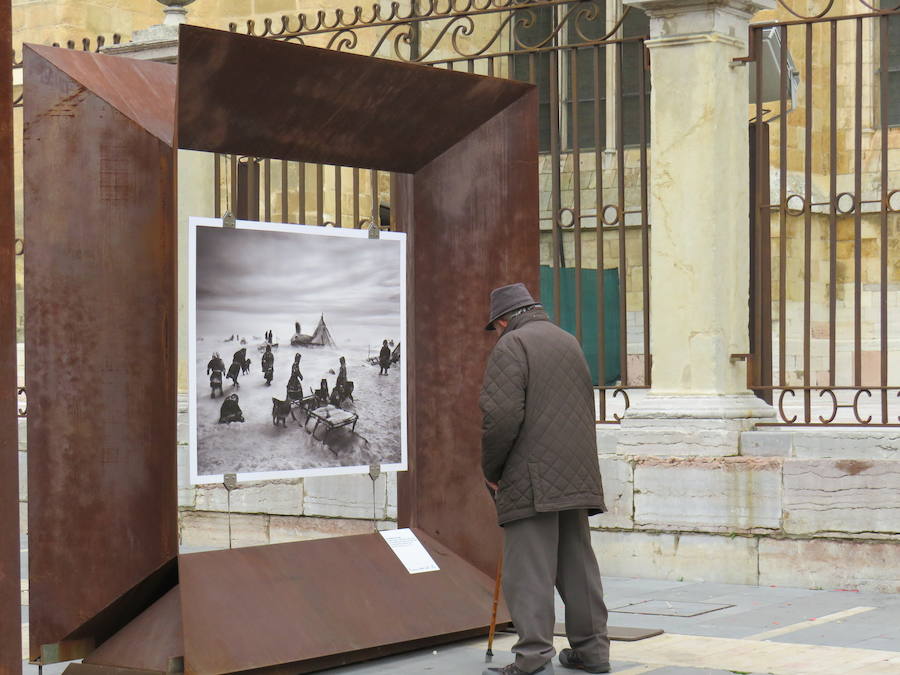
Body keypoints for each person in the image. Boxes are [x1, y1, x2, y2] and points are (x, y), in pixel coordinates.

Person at [480, 283, 609, 675]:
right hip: (577, 472)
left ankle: (533, 658)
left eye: (496, 326)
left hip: (531, 476)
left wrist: (493, 471)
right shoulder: (567, 340)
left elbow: (499, 419)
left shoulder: (512, 345)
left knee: (529, 570)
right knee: (577, 566)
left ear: (503, 320)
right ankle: (592, 653)